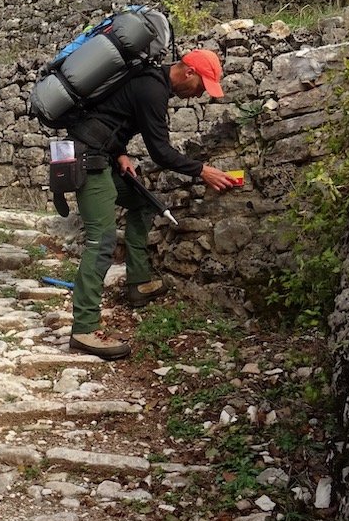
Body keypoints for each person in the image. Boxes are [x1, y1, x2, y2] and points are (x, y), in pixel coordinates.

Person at [66, 47, 239, 360]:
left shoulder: (148, 81)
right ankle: (84, 329)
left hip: (102, 155)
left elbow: (109, 115)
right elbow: (160, 151)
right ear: (188, 71)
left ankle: (138, 283)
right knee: (101, 240)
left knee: (145, 203)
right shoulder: (152, 89)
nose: (198, 94)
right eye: (201, 86)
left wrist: (119, 152)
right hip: (86, 161)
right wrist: (203, 171)